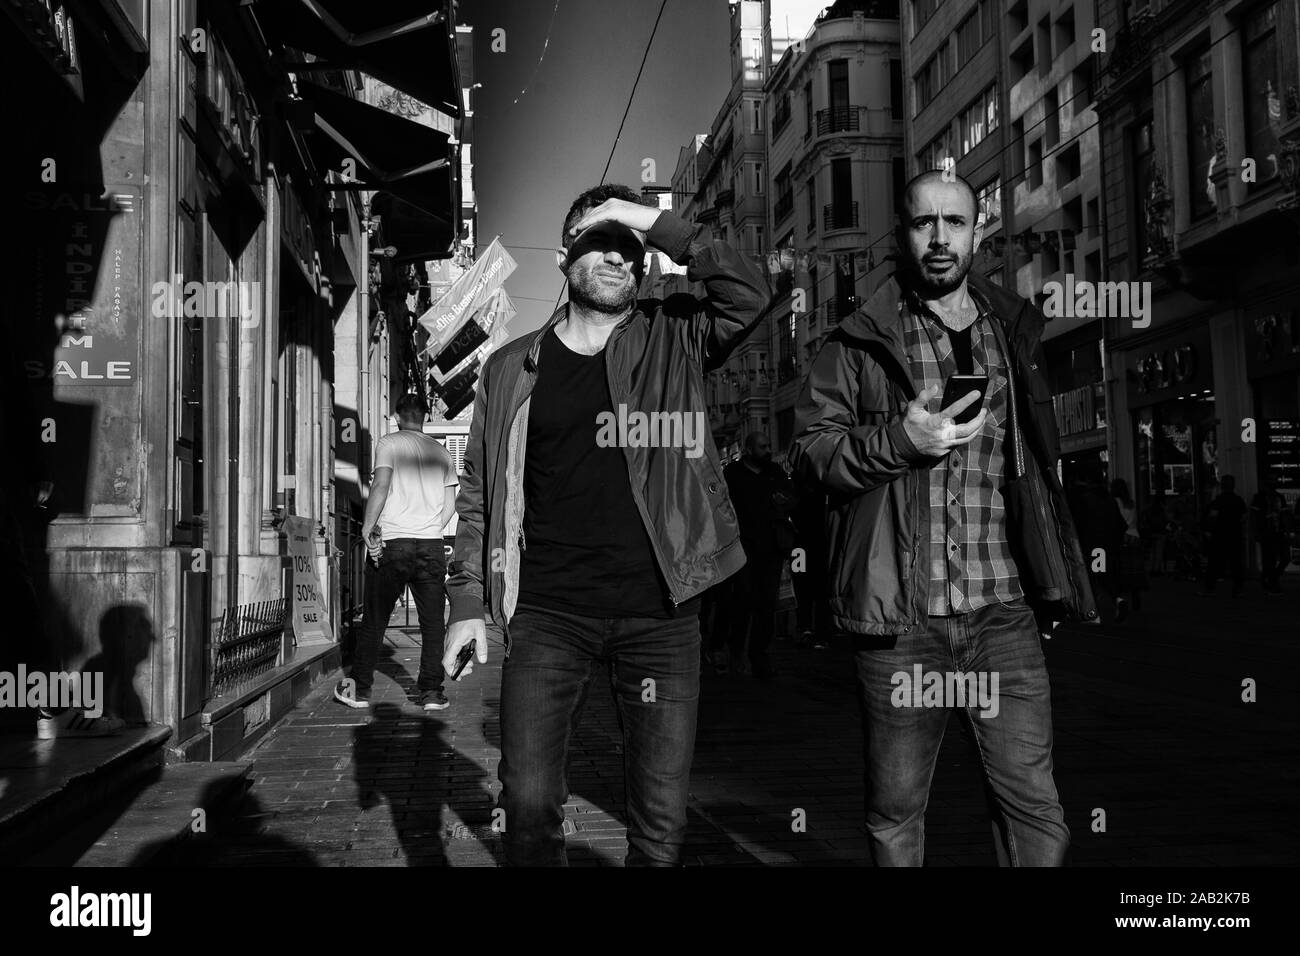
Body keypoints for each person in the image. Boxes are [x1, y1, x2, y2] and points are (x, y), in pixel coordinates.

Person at [441, 184, 772, 866]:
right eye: (600, 239)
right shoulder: (511, 368)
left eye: (631, 245)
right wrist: (467, 601)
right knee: (528, 807)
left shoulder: (676, 336)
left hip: (662, 614)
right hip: (547, 615)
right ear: (564, 259)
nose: (619, 256)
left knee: (658, 825)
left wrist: (650, 220)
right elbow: (479, 489)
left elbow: (750, 291)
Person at [790, 170, 1097, 867]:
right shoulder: (858, 339)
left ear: (977, 232)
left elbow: (1037, 469)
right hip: (902, 618)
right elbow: (810, 453)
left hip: (1003, 612)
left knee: (1034, 806)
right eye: (923, 223)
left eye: (953, 223)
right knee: (896, 812)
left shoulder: (1013, 331)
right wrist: (900, 442)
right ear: (901, 234)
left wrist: (1058, 574)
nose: (938, 238)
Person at [334, 393, 459, 711]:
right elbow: (449, 505)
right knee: (433, 623)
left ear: (398, 416)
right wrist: (430, 528)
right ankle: (431, 692)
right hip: (430, 545)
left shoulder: (389, 443)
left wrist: (368, 525)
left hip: (393, 542)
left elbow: (381, 485)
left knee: (375, 619)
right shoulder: (442, 453)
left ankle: (360, 690)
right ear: (426, 417)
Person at [715, 432, 795, 679]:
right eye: (763, 446)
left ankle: (759, 655)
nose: (768, 450)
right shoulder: (733, 475)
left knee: (766, 605)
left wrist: (785, 501)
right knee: (742, 601)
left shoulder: (774, 472)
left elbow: (792, 498)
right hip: (743, 549)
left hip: (770, 550)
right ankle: (736, 652)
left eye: (769, 445)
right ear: (749, 449)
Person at [1200, 474, 1247, 597]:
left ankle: (1210, 588)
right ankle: (1238, 589)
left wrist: (1208, 531)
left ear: (1222, 486)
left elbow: (1211, 518)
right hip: (1234, 535)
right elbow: (1243, 517)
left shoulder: (1218, 501)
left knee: (1214, 563)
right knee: (1236, 564)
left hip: (1219, 536)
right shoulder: (1238, 500)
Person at [1110, 478, 1146, 618]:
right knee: (1134, 569)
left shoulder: (1115, 502)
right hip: (1134, 536)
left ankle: (1120, 598)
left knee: (1121, 568)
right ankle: (1136, 595)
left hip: (1122, 537)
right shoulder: (1131, 503)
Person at [1251, 482, 1291, 595]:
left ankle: (1270, 579)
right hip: (1267, 533)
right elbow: (1254, 516)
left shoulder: (1278, 497)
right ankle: (1272, 582)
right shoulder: (1260, 498)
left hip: (1277, 532)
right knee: (1271, 560)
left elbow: (1284, 515)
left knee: (1281, 558)